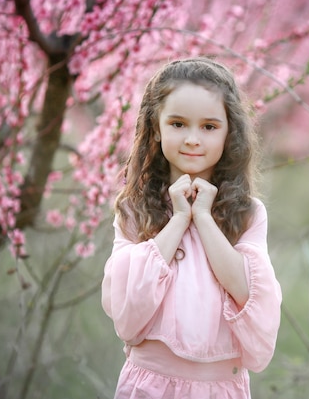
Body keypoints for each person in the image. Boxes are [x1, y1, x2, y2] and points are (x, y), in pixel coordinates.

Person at [101, 57, 282, 399]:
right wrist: (179, 218)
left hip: (220, 387)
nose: (193, 139)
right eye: (179, 124)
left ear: (230, 133)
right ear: (156, 128)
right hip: (150, 383)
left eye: (209, 127)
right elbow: (129, 316)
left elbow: (249, 294)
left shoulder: (246, 214)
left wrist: (203, 216)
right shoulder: (134, 210)